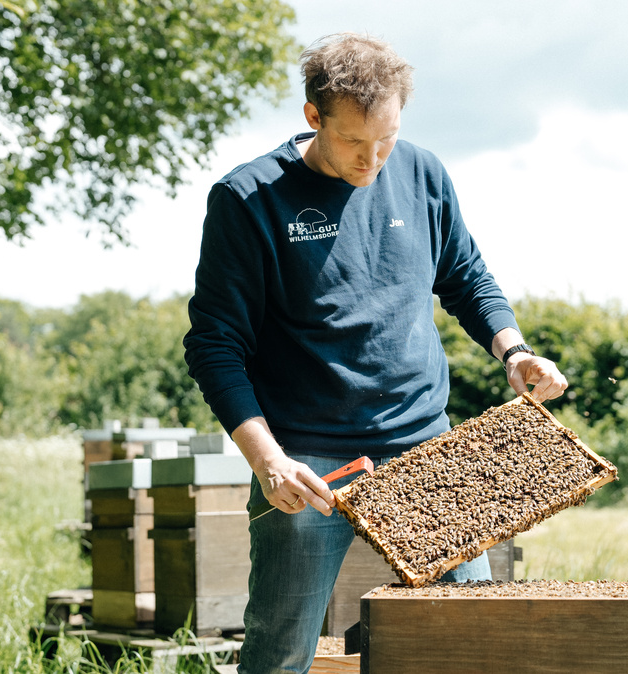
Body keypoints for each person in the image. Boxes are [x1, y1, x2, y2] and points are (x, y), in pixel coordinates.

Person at [183, 32, 568, 674]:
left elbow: (466, 275)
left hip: (426, 448)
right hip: (308, 464)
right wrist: (268, 461)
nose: (373, 161)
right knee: (280, 651)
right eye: (354, 143)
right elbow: (214, 344)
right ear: (313, 117)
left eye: (386, 139)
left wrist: (513, 350)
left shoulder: (421, 171)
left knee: (471, 642)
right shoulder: (246, 199)